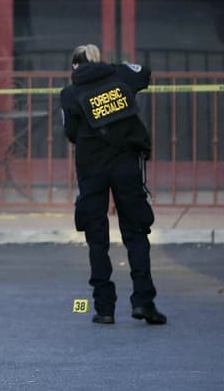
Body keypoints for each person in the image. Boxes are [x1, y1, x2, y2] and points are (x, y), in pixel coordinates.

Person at [60, 43, 168, 326]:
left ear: (74, 66)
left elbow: (71, 133)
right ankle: (144, 303)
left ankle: (104, 308)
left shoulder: (70, 94)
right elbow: (144, 72)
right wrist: (115, 65)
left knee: (97, 239)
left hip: (92, 170)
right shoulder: (120, 76)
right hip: (126, 165)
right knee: (135, 233)